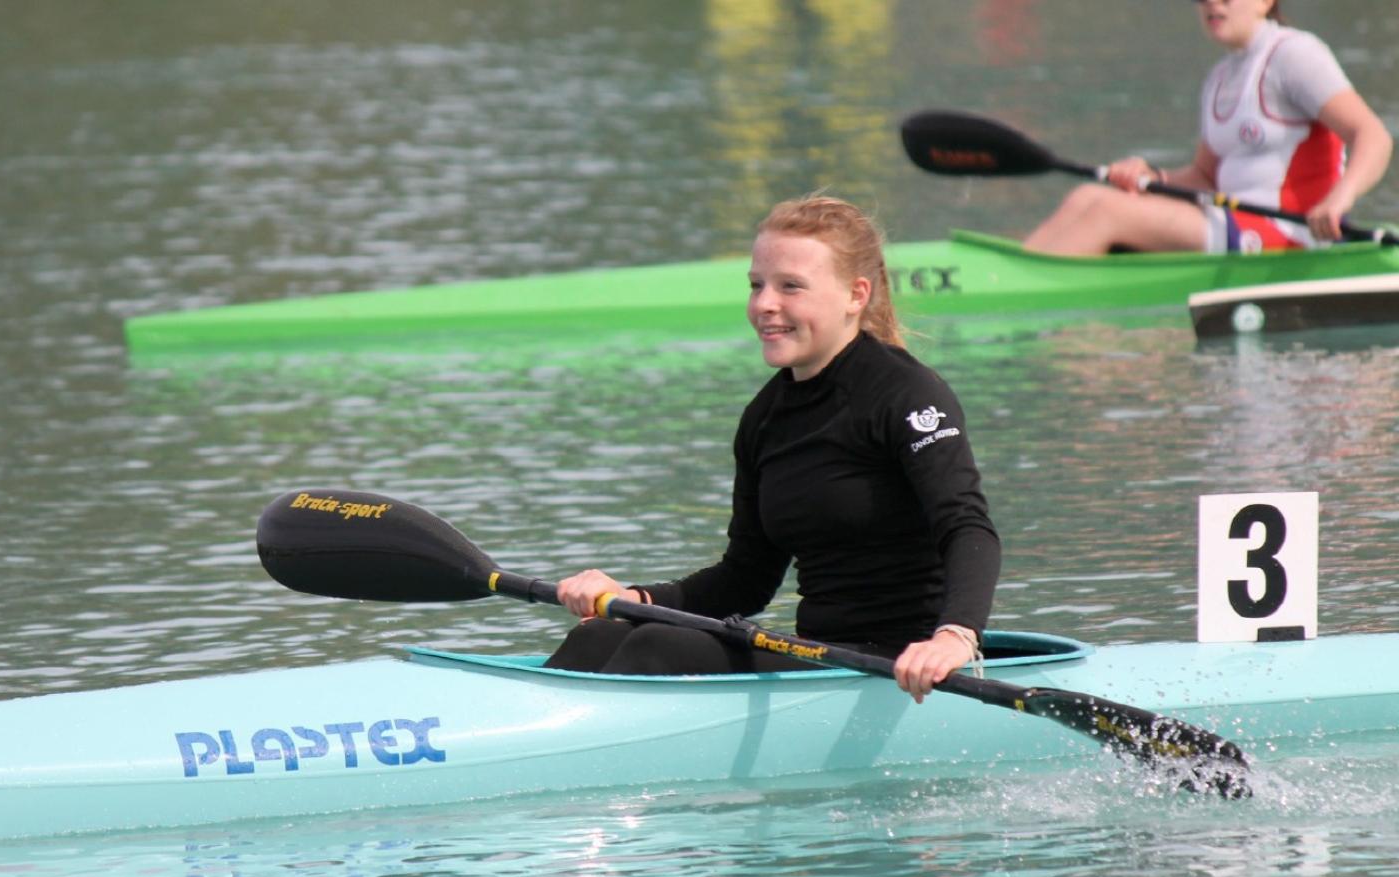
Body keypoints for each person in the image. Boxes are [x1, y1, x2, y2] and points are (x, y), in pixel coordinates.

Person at [542, 195, 1001, 703]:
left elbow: (967, 527)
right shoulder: (765, 418)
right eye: (757, 285)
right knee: (601, 634)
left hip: (905, 662)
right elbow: (746, 579)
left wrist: (954, 637)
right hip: (821, 654)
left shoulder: (907, 394)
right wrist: (634, 598)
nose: (764, 304)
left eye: (790, 287)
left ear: (856, 295)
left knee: (658, 646)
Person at [1024, 0, 1391, 256]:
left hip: (1291, 233)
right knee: (1088, 197)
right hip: (1230, 223)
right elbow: (1204, 177)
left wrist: (1340, 199)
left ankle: (1014, 291)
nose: (1212, 3)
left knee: (1104, 209)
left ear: (1265, 1)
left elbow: (1372, 135)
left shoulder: (1295, 54)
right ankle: (1016, 273)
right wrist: (1150, 178)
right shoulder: (1219, 78)